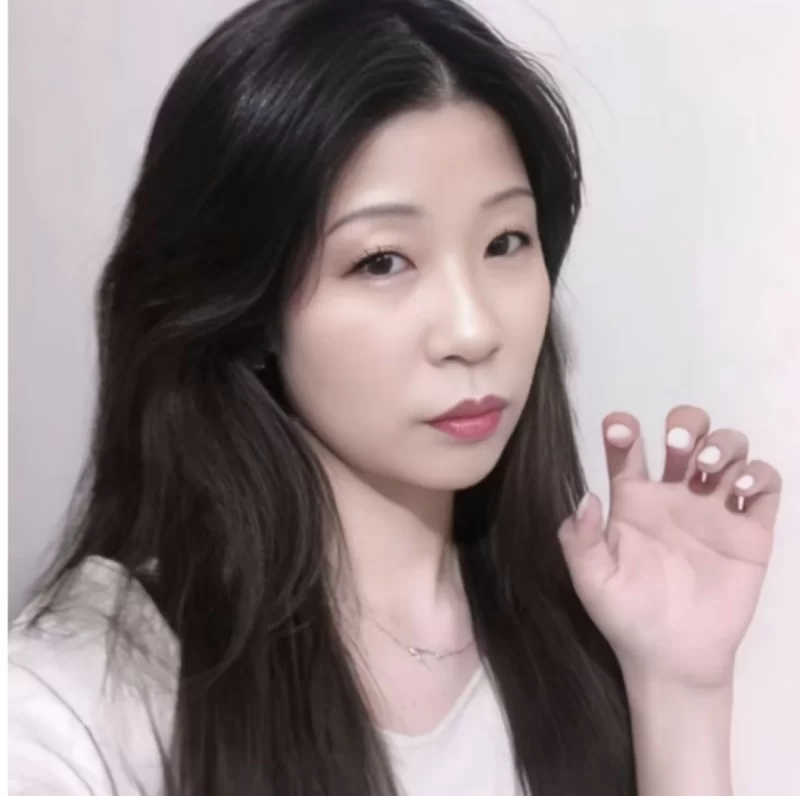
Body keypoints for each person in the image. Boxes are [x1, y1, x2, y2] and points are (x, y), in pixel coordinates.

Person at [8, 0, 784, 794]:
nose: (474, 329)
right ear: (247, 310)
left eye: (505, 242)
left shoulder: (583, 634)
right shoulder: (82, 697)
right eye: (381, 261)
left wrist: (682, 688)